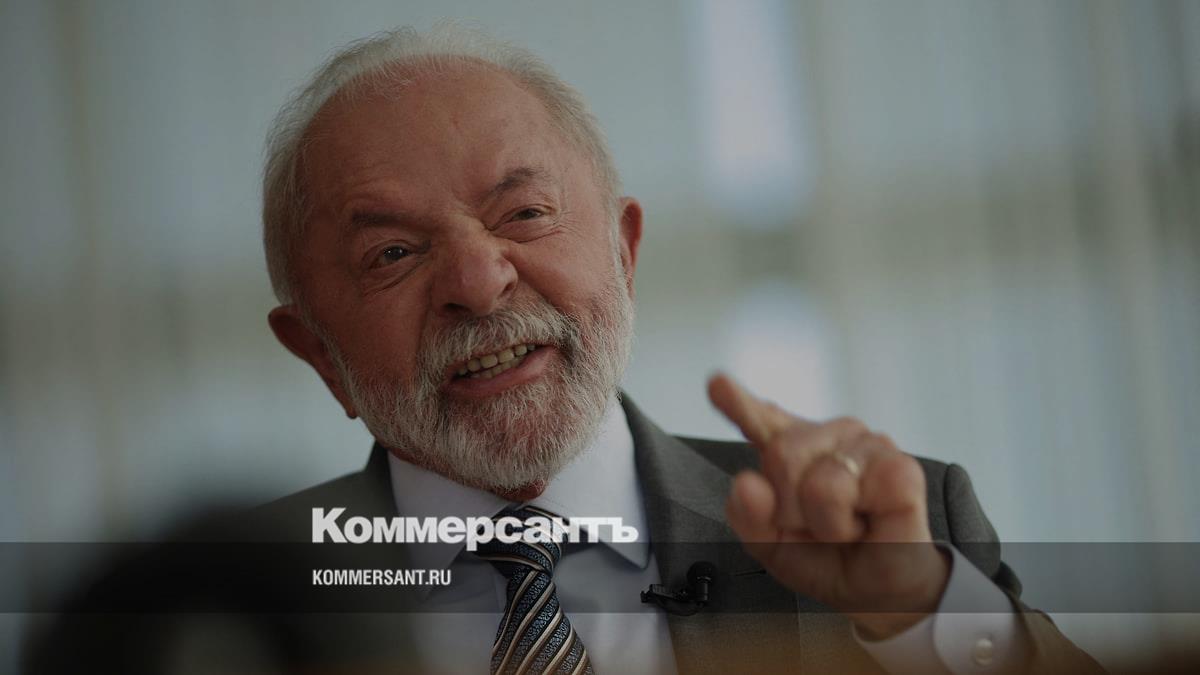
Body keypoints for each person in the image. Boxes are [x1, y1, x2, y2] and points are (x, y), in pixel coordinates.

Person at [254, 24, 1102, 675]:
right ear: (320, 354)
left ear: (623, 252)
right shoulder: (232, 609)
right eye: (393, 253)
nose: (478, 282)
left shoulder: (909, 540)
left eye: (525, 213)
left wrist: (918, 612)